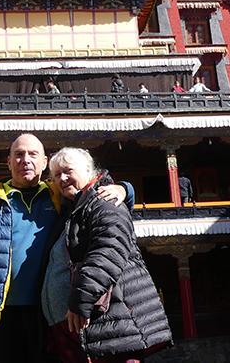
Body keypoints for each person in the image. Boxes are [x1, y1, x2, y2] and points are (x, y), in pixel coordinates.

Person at [0, 134, 127, 363]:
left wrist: (124, 189)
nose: (25, 160)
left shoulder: (57, 196)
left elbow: (90, 192)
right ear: (8, 162)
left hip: (46, 313)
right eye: (18, 155)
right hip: (1, 314)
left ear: (44, 162)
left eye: (32, 154)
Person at [43, 148, 172, 362]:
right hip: (82, 329)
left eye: (68, 171)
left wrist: (80, 302)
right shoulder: (72, 210)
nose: (62, 179)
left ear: (88, 169)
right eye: (56, 175)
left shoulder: (105, 202)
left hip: (109, 326)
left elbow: (107, 252)